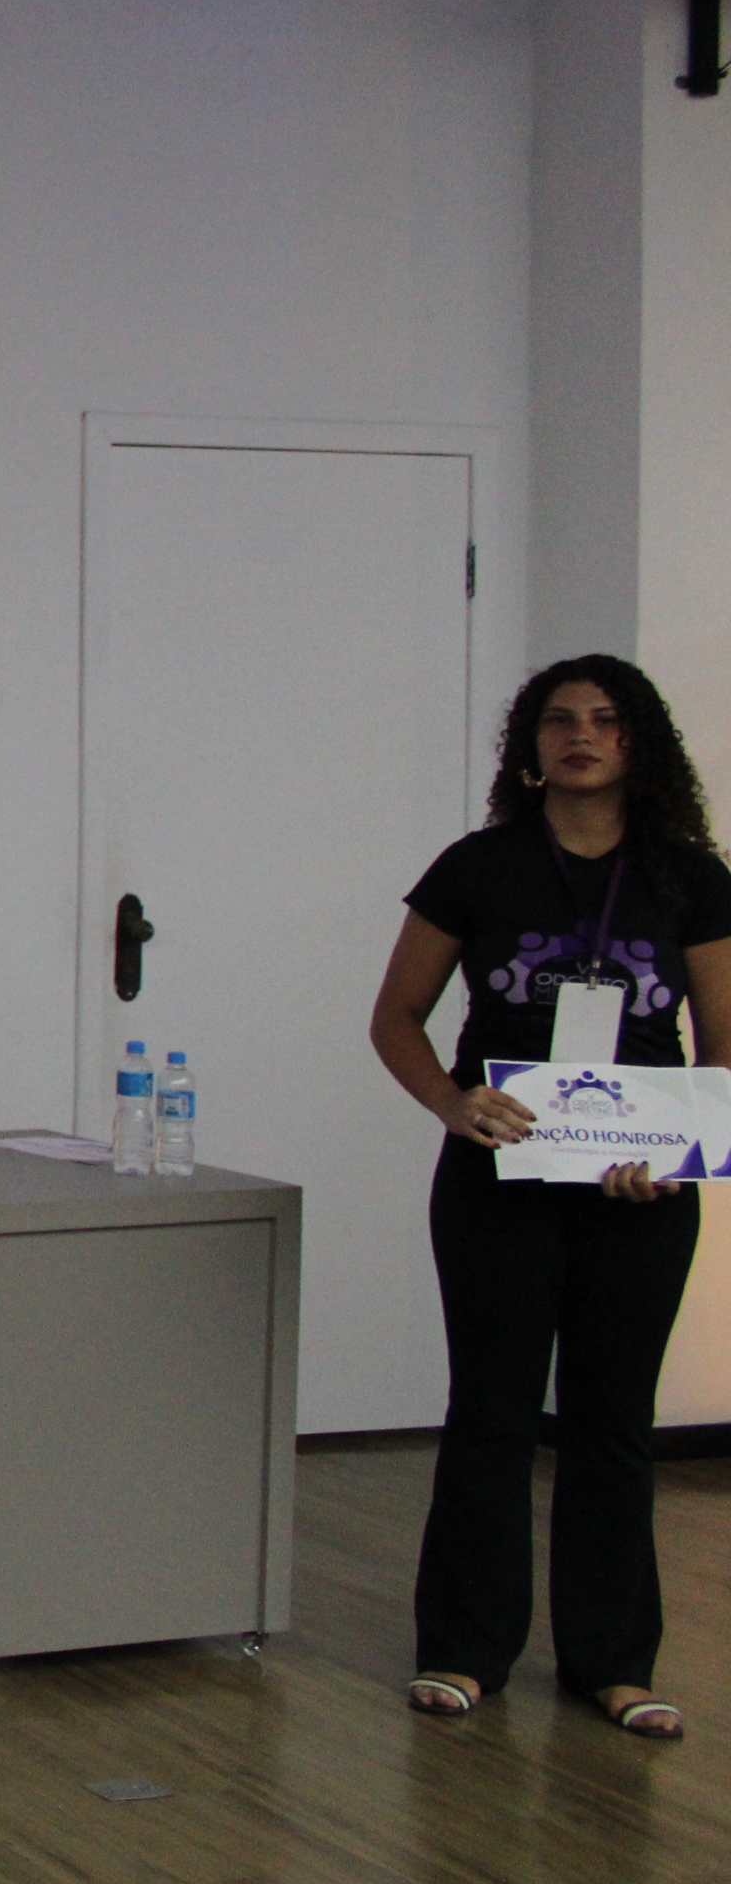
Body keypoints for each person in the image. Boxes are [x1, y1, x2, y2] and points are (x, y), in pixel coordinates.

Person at [367, 653, 731, 1742]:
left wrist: (682, 1151)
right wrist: (451, 1102)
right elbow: (395, 1016)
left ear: (638, 744)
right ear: (529, 747)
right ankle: (464, 1649)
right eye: (560, 720)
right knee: (493, 1409)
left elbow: (726, 1040)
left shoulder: (690, 876)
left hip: (641, 1187)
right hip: (500, 1177)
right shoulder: (477, 867)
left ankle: (612, 1663)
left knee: (613, 1420)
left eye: (606, 720)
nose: (582, 736)